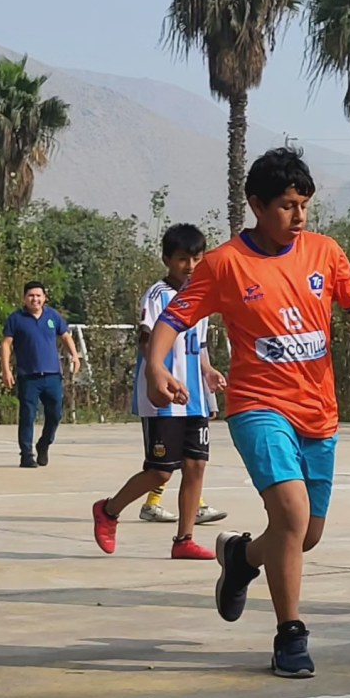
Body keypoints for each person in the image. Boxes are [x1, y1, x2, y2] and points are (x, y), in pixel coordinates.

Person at [143, 148, 350, 678]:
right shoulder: (224, 263)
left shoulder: (325, 252)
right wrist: (155, 367)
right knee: (292, 516)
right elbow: (173, 319)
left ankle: (242, 558)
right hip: (258, 407)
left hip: (318, 414)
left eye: (304, 205)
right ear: (257, 205)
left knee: (304, 534)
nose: (298, 216)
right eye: (286, 206)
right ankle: (290, 635)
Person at [91, 224, 228, 560]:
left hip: (194, 397)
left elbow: (200, 344)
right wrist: (160, 372)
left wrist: (208, 371)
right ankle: (109, 510)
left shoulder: (203, 295)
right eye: (182, 259)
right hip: (164, 397)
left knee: (196, 466)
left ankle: (184, 539)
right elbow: (146, 339)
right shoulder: (157, 295)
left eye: (196, 258)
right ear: (167, 259)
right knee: (161, 470)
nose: (190, 266)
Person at [139, 354, 227, 525]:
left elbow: (201, 358)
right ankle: (117, 508)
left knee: (194, 462)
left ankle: (194, 508)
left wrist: (209, 401)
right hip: (172, 399)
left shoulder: (198, 338)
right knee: (165, 467)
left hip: (194, 401)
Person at [1, 282, 80, 468]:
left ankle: (44, 443)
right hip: (28, 376)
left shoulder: (53, 316)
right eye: (31, 295)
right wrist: (6, 369)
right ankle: (26, 455)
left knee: (55, 414)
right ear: (24, 298)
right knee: (28, 415)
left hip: (52, 375)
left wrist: (75, 355)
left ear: (44, 298)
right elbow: (6, 344)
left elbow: (65, 336)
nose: (35, 299)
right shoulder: (16, 319)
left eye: (38, 295)